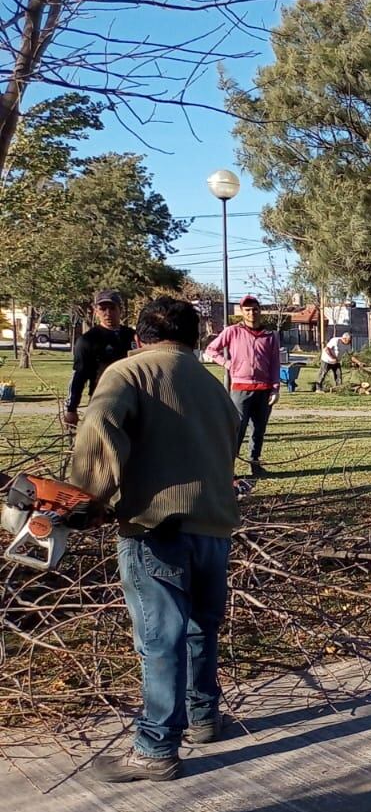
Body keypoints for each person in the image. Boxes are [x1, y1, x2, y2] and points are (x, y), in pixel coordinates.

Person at [70, 296, 241, 783]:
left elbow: (100, 432)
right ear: (192, 338)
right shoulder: (213, 386)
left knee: (159, 638)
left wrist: (85, 502)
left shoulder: (128, 373)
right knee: (199, 628)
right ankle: (204, 718)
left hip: (156, 528)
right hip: (214, 528)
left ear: (140, 336)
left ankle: (155, 748)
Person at [204, 295, 281, 477]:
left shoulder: (270, 336)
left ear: (259, 311)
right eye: (247, 310)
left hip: (264, 390)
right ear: (242, 312)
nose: (251, 313)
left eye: (254, 309)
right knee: (237, 430)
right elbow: (211, 350)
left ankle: (255, 464)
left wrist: (276, 388)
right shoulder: (233, 331)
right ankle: (228, 469)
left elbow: (275, 364)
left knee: (258, 431)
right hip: (240, 388)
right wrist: (228, 364)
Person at [63, 290, 136, 428]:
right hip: (103, 399)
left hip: (134, 400)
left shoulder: (132, 336)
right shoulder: (88, 339)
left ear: (120, 309)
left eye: (112, 308)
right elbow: (79, 375)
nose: (108, 313)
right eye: (103, 308)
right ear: (96, 311)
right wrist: (71, 409)